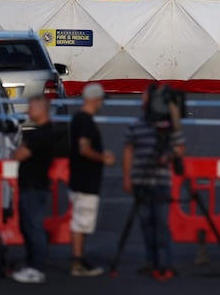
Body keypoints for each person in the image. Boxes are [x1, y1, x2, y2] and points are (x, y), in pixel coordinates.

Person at [123, 84, 186, 280]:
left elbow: (180, 148)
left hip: (160, 182)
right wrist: (127, 177)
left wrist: (167, 156)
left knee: (160, 225)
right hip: (141, 180)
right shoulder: (136, 124)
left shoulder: (168, 125)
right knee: (145, 224)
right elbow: (128, 150)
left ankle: (164, 263)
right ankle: (151, 262)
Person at [68, 84, 116, 277]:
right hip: (86, 180)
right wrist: (104, 158)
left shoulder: (78, 119)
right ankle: (78, 262)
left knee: (81, 221)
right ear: (94, 99)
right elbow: (84, 149)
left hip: (80, 178)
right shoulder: (85, 122)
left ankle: (79, 258)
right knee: (82, 221)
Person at [11, 97, 56, 284]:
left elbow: (20, 154)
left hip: (34, 187)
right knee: (28, 226)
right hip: (32, 186)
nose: (28, 111)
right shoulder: (43, 132)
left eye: (31, 108)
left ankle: (37, 267)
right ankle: (32, 264)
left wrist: (20, 148)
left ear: (41, 109)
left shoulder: (42, 134)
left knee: (34, 227)